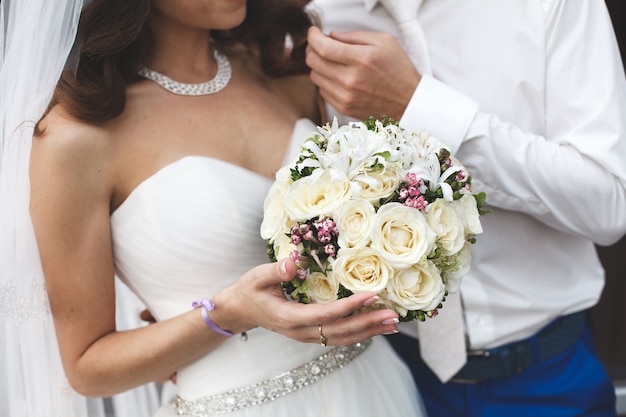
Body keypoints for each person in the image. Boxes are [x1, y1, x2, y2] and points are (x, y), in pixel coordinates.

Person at [1, 0, 428, 416]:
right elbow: (88, 368)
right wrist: (226, 315)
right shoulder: (76, 138)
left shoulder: (285, 71)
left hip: (371, 386)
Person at [305, 0, 626, 416]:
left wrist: (419, 106)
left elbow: (609, 202)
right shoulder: (313, 16)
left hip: (547, 379)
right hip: (381, 378)